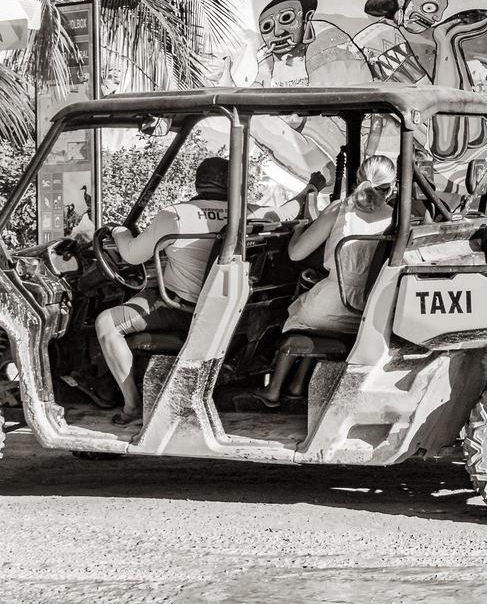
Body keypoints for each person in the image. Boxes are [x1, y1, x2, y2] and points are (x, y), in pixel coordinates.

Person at [95, 156, 230, 425]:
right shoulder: (248, 213)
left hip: (181, 307)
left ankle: (132, 405)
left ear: (197, 182)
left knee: (106, 323)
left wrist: (119, 230)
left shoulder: (177, 215)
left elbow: (132, 256)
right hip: (226, 306)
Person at [253, 155, 396, 408]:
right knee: (314, 310)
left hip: (332, 303)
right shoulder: (396, 218)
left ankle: (274, 389)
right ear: (392, 187)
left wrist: (298, 230)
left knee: (298, 314)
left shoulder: (340, 209)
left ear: (358, 179)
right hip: (367, 310)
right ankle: (298, 385)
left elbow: (296, 254)